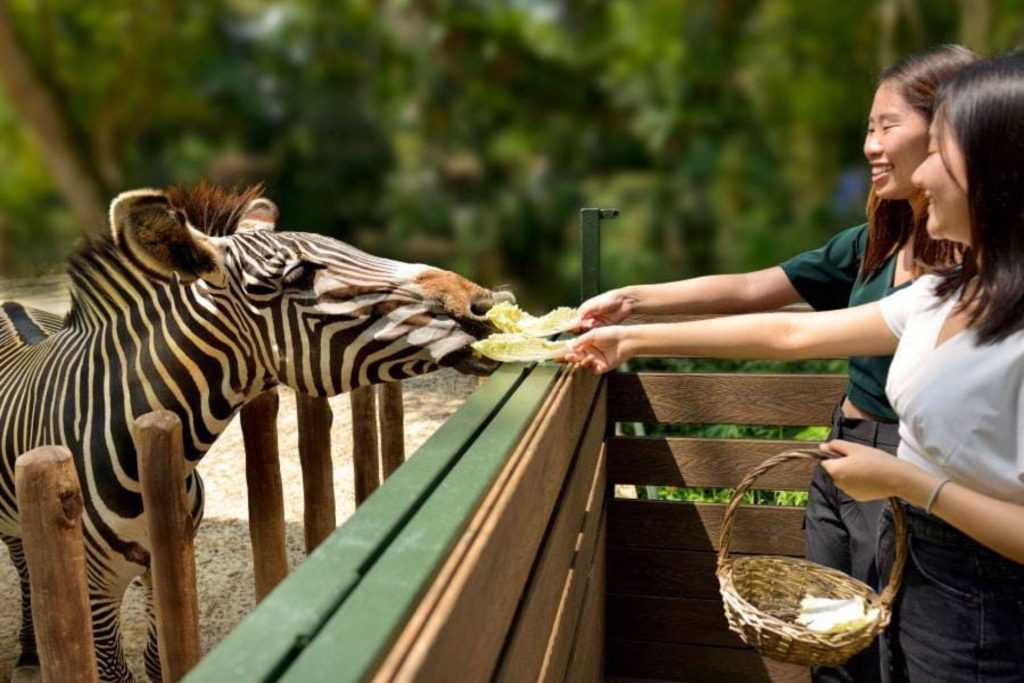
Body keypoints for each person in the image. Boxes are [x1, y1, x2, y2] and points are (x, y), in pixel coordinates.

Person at [564, 51, 1024, 682]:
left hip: (981, 588)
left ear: (998, 170)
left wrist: (912, 484)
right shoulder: (945, 291)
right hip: (916, 550)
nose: (922, 173)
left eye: (937, 149)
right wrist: (630, 333)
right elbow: (787, 329)